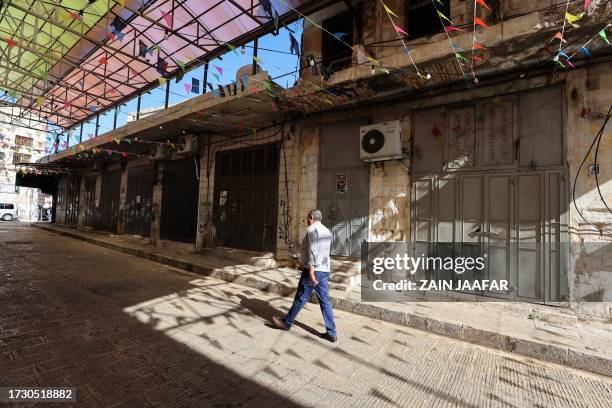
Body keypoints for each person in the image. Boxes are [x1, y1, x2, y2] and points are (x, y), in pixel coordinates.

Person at [272, 209, 337, 342]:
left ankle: (286, 323)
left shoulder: (312, 229)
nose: (307, 220)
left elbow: (314, 250)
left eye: (308, 218)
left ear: (312, 217)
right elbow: (324, 251)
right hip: (324, 270)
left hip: (313, 270)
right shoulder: (327, 231)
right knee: (325, 301)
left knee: (301, 297)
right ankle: (332, 332)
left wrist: (312, 269)